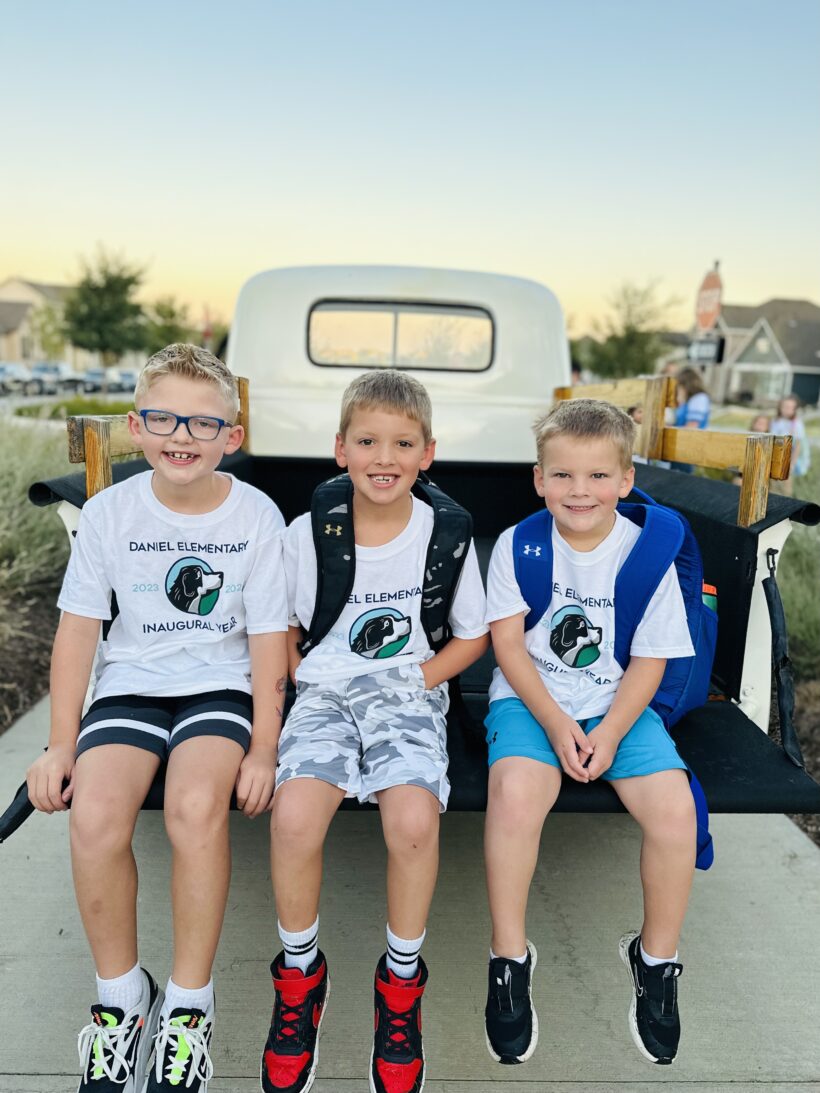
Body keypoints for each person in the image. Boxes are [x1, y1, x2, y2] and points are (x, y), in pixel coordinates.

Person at [26, 344, 289, 1093]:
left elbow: (270, 639)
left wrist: (265, 747)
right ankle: (123, 1000)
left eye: (204, 423)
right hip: (132, 682)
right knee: (97, 817)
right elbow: (80, 629)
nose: (184, 435)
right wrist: (58, 744)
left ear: (231, 438)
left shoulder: (256, 515)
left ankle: (188, 1008)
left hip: (220, 685)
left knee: (194, 805)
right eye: (166, 418)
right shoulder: (110, 511)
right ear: (136, 428)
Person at [262, 370, 489, 1093]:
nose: (382, 456)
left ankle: (400, 983)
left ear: (428, 452)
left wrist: (417, 681)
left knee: (414, 820)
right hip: (326, 690)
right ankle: (300, 974)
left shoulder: (446, 534)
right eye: (366, 440)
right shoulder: (310, 535)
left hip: (408, 693)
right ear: (339, 449)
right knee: (294, 817)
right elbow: (287, 629)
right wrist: (303, 683)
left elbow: (471, 636)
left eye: (401, 442)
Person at [482, 398, 697, 1067]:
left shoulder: (647, 551)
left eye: (599, 476)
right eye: (564, 475)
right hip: (531, 697)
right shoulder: (519, 545)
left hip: (619, 704)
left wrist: (606, 732)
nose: (581, 491)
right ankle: (509, 958)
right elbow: (509, 649)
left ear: (626, 480)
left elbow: (651, 660)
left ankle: (656, 959)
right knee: (516, 798)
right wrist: (554, 721)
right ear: (539, 478)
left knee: (674, 812)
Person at [672, 368, 711, 473]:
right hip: (680, 447)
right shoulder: (689, 400)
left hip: (689, 448)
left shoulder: (699, 399)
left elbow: (692, 426)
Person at [771, 395, 810, 497]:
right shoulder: (775, 421)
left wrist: (792, 463)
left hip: (788, 459)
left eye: (790, 407)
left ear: (795, 409)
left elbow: (798, 445)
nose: (787, 409)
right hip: (774, 458)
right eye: (784, 406)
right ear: (780, 407)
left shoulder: (796, 424)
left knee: (785, 486)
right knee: (773, 485)